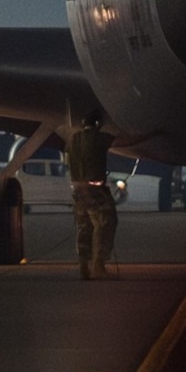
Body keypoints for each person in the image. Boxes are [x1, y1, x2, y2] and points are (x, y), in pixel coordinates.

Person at [67, 109, 118, 279]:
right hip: (94, 189)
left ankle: (83, 266)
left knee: (83, 226)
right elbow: (120, 141)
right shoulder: (99, 138)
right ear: (97, 124)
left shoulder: (73, 139)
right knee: (105, 223)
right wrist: (150, 135)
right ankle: (98, 265)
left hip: (77, 190)